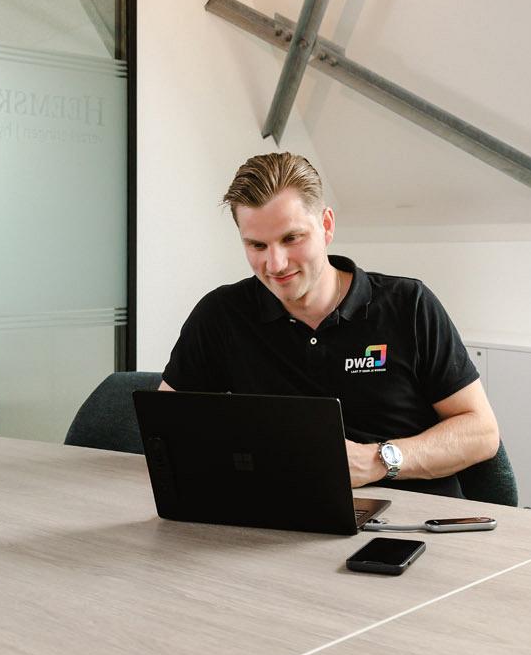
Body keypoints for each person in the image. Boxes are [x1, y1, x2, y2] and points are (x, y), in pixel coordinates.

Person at [160, 152, 499, 498]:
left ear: (326, 225)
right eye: (257, 245)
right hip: (280, 516)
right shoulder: (221, 314)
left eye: (291, 238)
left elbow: (481, 433)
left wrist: (378, 460)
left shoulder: (409, 305)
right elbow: (166, 429)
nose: (275, 264)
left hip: (412, 519)